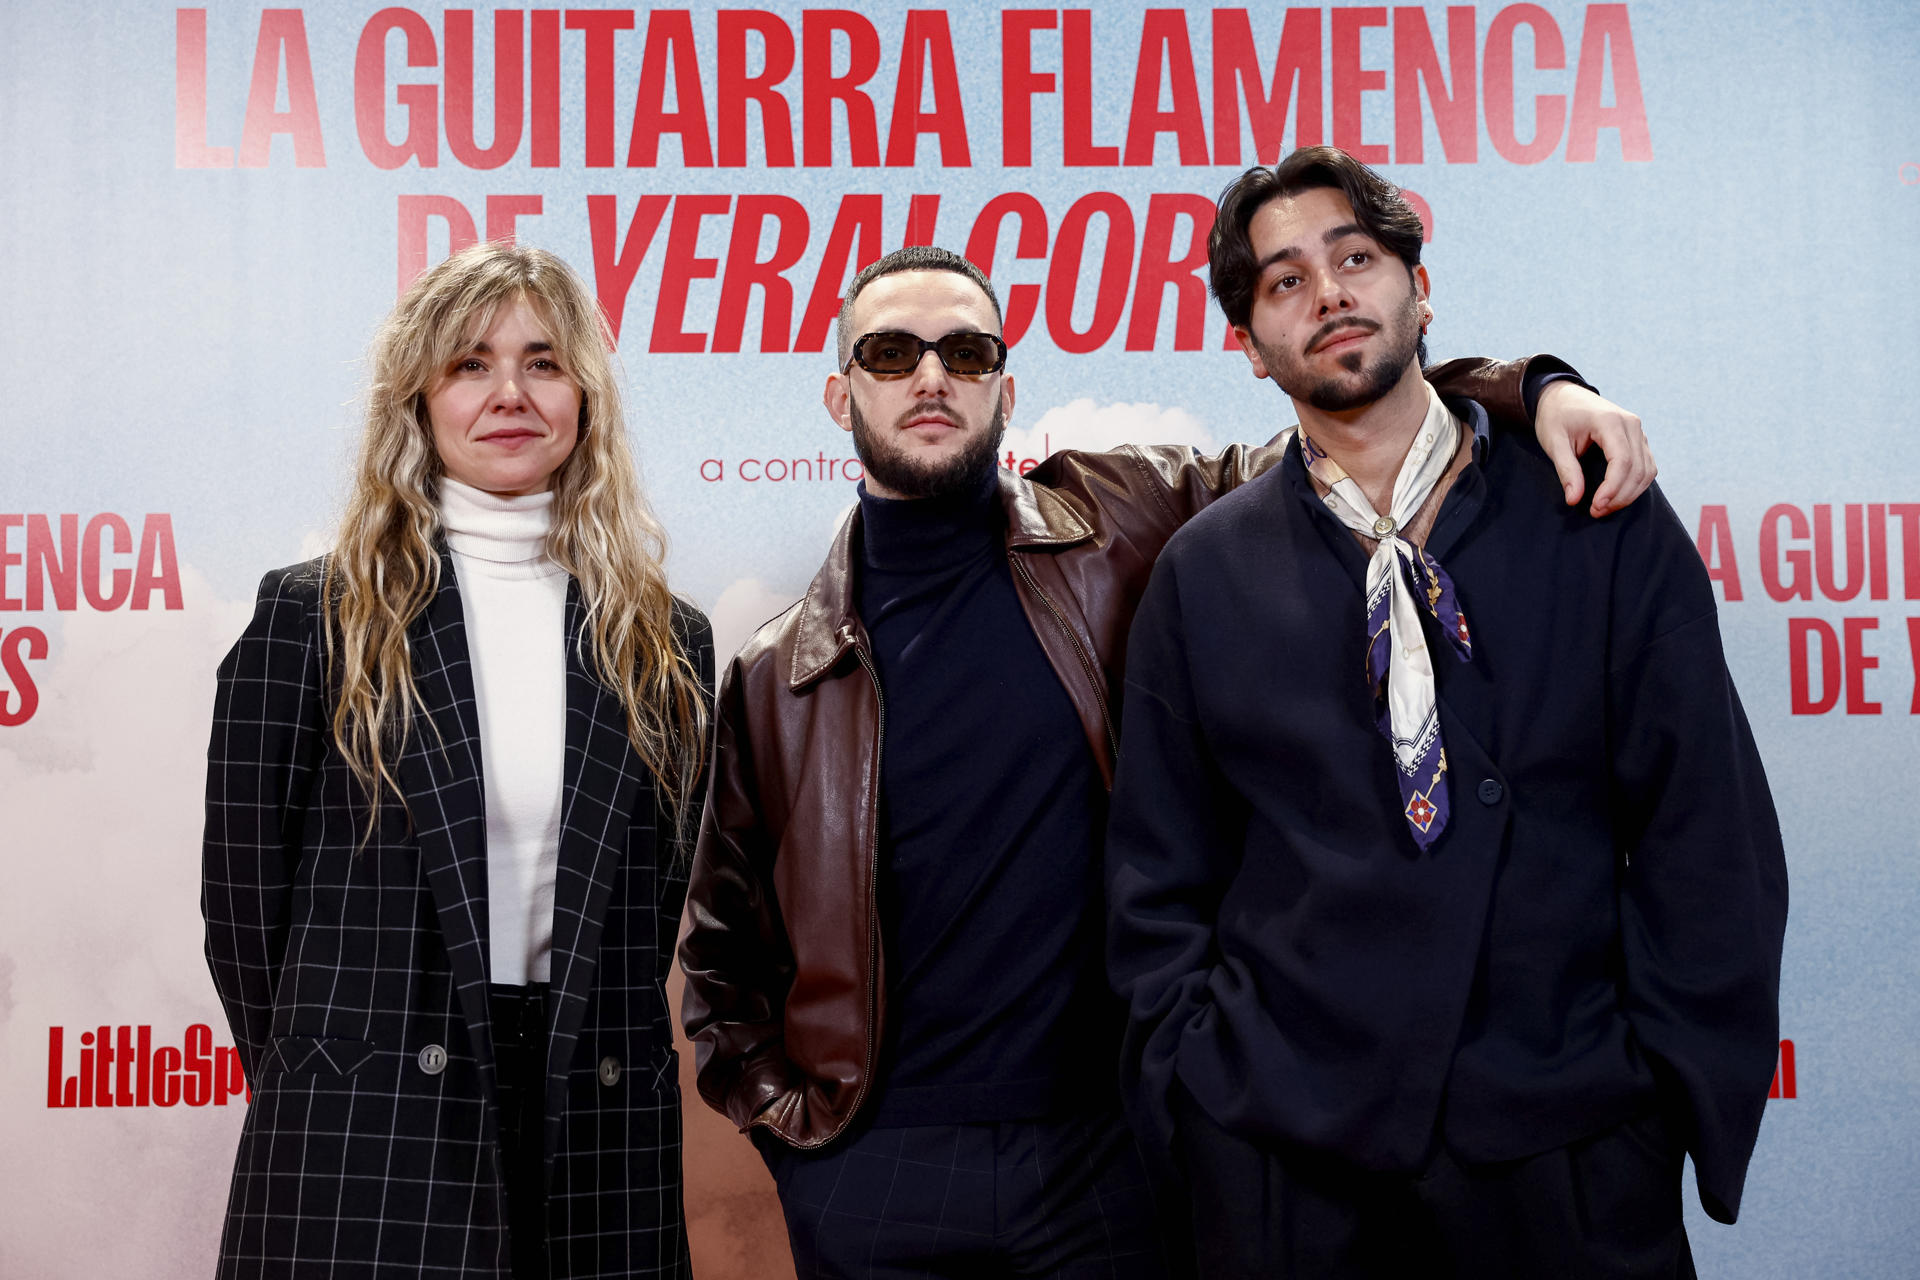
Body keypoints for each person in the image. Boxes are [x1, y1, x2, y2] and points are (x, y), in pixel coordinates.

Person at [677, 240, 1657, 1278]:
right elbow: (722, 952)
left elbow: (1347, 422)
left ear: (1005, 387)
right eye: (891, 352)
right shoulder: (775, 671)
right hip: (877, 1174)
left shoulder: (1119, 522)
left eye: (965, 351)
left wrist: (1525, 391)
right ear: (842, 395)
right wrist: (808, 1151)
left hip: (1104, 1153)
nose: (931, 376)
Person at [1104, 147, 1788, 1279]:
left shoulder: (1595, 508)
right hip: (1290, 1158)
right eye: (1283, 282)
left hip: (1568, 1143)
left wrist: (1658, 1097)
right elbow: (1156, 881)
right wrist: (1201, 1101)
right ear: (1248, 343)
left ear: (1423, 287)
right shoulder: (1201, 570)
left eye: (1355, 257)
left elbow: (1707, 832)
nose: (1327, 293)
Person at [202, 243, 712, 1279]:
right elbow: (242, 910)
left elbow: (648, 912)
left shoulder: (663, 639)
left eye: (544, 361)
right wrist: (338, 1072)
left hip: (598, 1130)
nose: (510, 393)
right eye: (471, 364)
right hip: (364, 1121)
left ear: (586, 396)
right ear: (419, 397)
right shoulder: (312, 617)